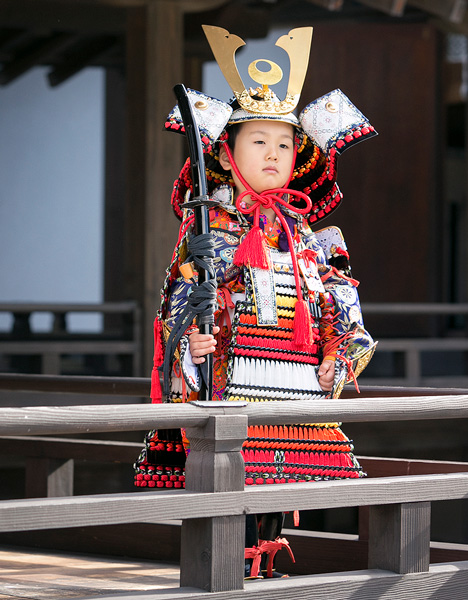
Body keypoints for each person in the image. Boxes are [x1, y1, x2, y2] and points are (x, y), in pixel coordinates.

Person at [134, 24, 377, 579]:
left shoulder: (317, 241)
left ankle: (266, 566)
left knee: (277, 499)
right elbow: (176, 311)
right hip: (230, 380)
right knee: (229, 495)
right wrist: (187, 345)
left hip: (294, 388)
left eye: (284, 143)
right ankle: (224, 572)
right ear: (229, 149)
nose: (273, 153)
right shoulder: (208, 233)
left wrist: (336, 359)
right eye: (259, 141)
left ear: (301, 155)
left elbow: (350, 321)